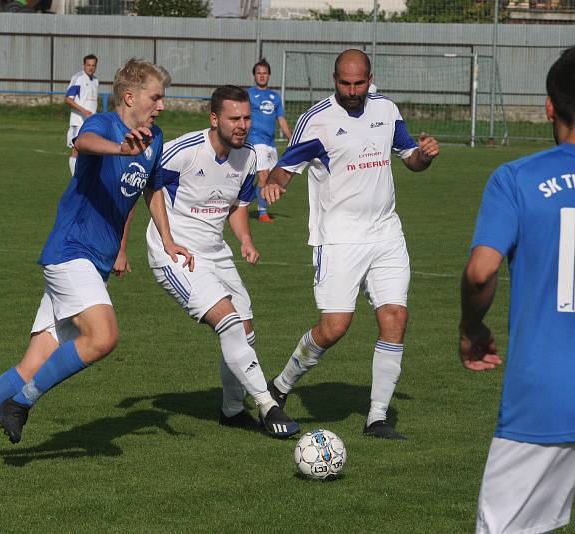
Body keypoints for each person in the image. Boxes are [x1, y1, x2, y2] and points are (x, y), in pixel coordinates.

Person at [0, 58, 193, 467]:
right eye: (155, 97)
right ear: (130, 96)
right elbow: (82, 144)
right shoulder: (105, 126)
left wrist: (169, 240)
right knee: (103, 337)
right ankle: (20, 404)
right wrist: (119, 148)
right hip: (71, 253)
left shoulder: (155, 137)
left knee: (32, 363)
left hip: (94, 263)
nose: (162, 105)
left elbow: (152, 189)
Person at [261, 49, 439, 440]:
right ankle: (281, 385)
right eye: (345, 83)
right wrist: (274, 184)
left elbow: (410, 159)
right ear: (334, 78)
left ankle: (377, 417)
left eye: (359, 83)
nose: (353, 90)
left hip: (386, 234)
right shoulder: (316, 121)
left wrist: (424, 156)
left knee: (395, 317)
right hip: (339, 237)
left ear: (370, 78)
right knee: (334, 327)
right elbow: (285, 168)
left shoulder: (387, 111)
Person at [458, 46, 575, 533]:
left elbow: (481, 271)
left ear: (550, 106)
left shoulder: (517, 179)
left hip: (547, 393)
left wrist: (471, 326)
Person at [143, 85, 300, 438]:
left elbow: (237, 206)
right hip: (176, 254)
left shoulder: (248, 157)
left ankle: (231, 411)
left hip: (217, 253)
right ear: (215, 119)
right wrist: (125, 248)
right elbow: (146, 190)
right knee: (228, 322)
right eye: (234, 118)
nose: (242, 125)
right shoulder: (180, 152)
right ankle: (268, 404)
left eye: (247, 117)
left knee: (245, 331)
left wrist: (245, 239)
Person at [247, 59, 292, 223]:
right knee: (264, 177)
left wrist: (293, 140)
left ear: (269, 75)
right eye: (259, 73)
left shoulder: (275, 96)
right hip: (255, 140)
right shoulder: (249, 94)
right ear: (254, 76)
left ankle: (241, 200)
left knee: (275, 182)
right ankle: (262, 213)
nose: (262, 76)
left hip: (271, 143)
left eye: (264, 73)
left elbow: (282, 120)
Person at [65, 54, 99, 176]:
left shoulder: (95, 81)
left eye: (93, 65)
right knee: (76, 150)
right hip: (78, 121)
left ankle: (84, 175)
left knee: (90, 150)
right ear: (84, 65)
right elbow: (68, 99)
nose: (91, 67)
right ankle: (75, 177)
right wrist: (83, 111)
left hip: (91, 123)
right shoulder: (78, 78)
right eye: (88, 65)